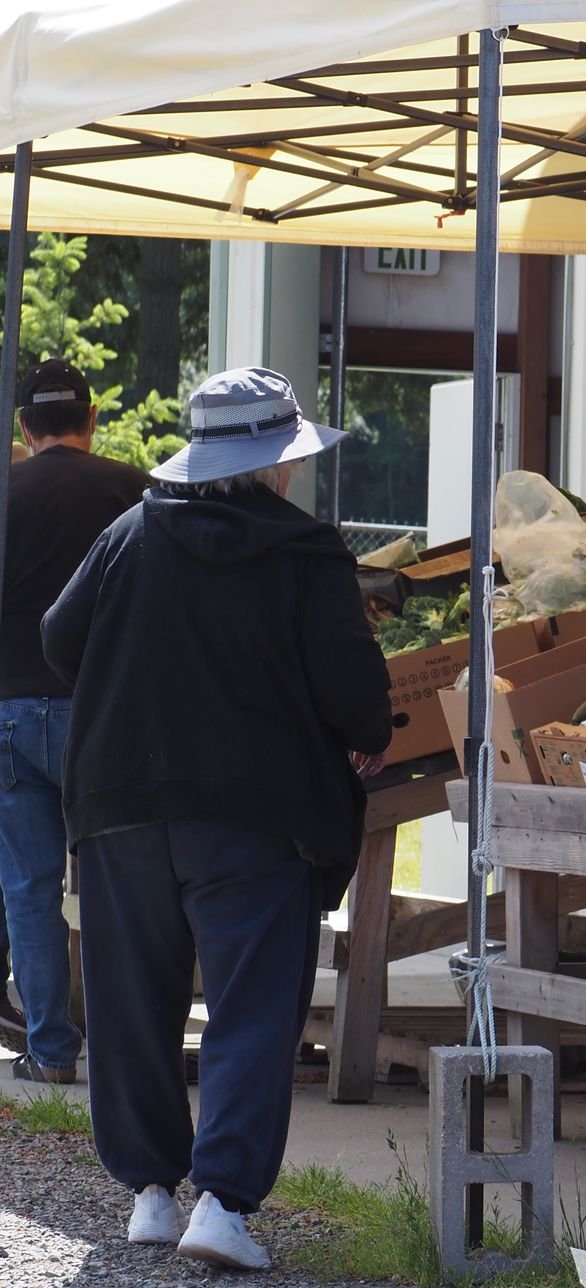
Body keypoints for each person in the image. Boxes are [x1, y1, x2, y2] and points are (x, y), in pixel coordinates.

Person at [43, 367, 392, 1271]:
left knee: (132, 1005)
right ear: (277, 466)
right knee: (250, 1006)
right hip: (256, 812)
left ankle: (152, 1196)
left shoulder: (131, 534)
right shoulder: (307, 552)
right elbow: (357, 693)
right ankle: (224, 1205)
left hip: (120, 803)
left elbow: (58, 637)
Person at [0, 360, 150, 1085]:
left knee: (27, 889)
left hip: (9, 714)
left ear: (23, 429)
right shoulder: (135, 491)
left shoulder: (6, 489)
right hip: (106, 713)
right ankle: (124, 1054)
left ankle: (51, 1051)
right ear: (91, 421)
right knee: (118, 889)